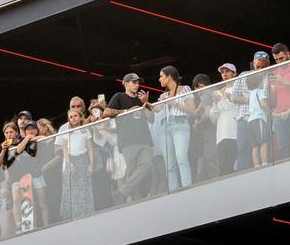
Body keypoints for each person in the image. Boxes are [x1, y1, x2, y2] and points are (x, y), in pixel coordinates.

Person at [103, 73, 156, 202]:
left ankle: (122, 192)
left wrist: (146, 103)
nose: (137, 85)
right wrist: (126, 111)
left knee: (147, 164)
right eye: (134, 82)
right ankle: (136, 201)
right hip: (128, 141)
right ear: (125, 83)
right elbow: (106, 112)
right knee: (132, 172)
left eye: (138, 82)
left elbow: (152, 119)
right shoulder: (119, 97)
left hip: (144, 139)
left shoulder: (141, 98)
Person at [155, 65, 195, 190]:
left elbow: (192, 110)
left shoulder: (185, 89)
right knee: (169, 164)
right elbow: (157, 109)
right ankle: (173, 190)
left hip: (180, 125)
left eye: (161, 76)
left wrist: (175, 103)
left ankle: (186, 186)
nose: (159, 79)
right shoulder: (163, 95)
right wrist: (146, 103)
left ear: (169, 77)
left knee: (181, 156)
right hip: (166, 128)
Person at [58, 106, 95, 219]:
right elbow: (64, 150)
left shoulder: (86, 131)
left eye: (75, 116)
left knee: (84, 187)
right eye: (71, 117)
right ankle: (73, 215)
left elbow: (90, 148)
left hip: (83, 160)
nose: (73, 118)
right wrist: (70, 164)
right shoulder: (67, 132)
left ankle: (86, 213)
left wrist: (91, 164)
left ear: (80, 117)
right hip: (71, 160)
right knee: (72, 190)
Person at [209, 63, 239, 175]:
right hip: (221, 135)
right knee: (224, 168)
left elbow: (238, 106)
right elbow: (213, 118)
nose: (225, 74)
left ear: (234, 73)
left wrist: (226, 95)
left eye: (227, 71)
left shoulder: (238, 88)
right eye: (222, 72)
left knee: (235, 165)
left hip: (235, 131)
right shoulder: (217, 92)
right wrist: (216, 103)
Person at [190, 73, 218, 181]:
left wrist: (197, 124)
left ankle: (215, 182)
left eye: (196, 89)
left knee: (210, 158)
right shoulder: (213, 91)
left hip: (210, 131)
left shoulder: (206, 93)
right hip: (213, 131)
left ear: (201, 86)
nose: (196, 93)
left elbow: (207, 113)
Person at [245, 53, 272, 167]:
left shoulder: (250, 94)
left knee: (254, 146)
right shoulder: (260, 92)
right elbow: (263, 104)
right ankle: (265, 163)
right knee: (264, 142)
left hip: (250, 121)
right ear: (259, 82)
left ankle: (257, 165)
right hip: (259, 119)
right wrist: (269, 111)